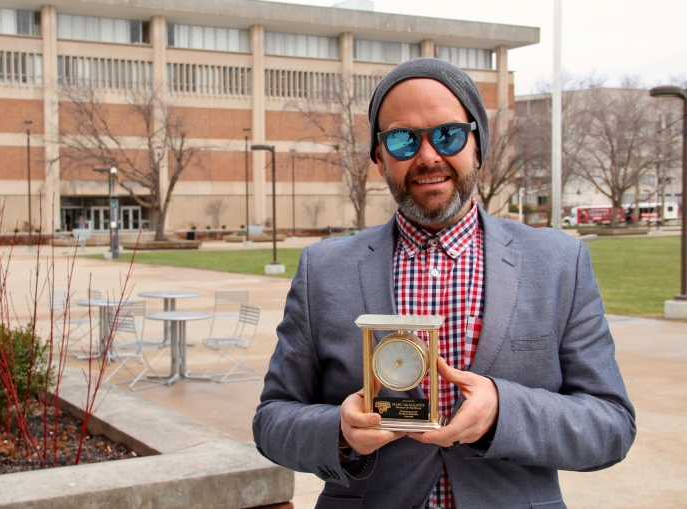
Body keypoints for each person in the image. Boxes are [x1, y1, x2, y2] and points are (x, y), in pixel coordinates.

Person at [252, 58, 635, 509]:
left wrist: (503, 411)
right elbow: (273, 421)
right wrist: (338, 432)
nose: (428, 156)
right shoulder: (324, 271)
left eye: (448, 134)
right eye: (402, 139)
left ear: (478, 145)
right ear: (379, 158)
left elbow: (611, 426)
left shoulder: (557, 264)